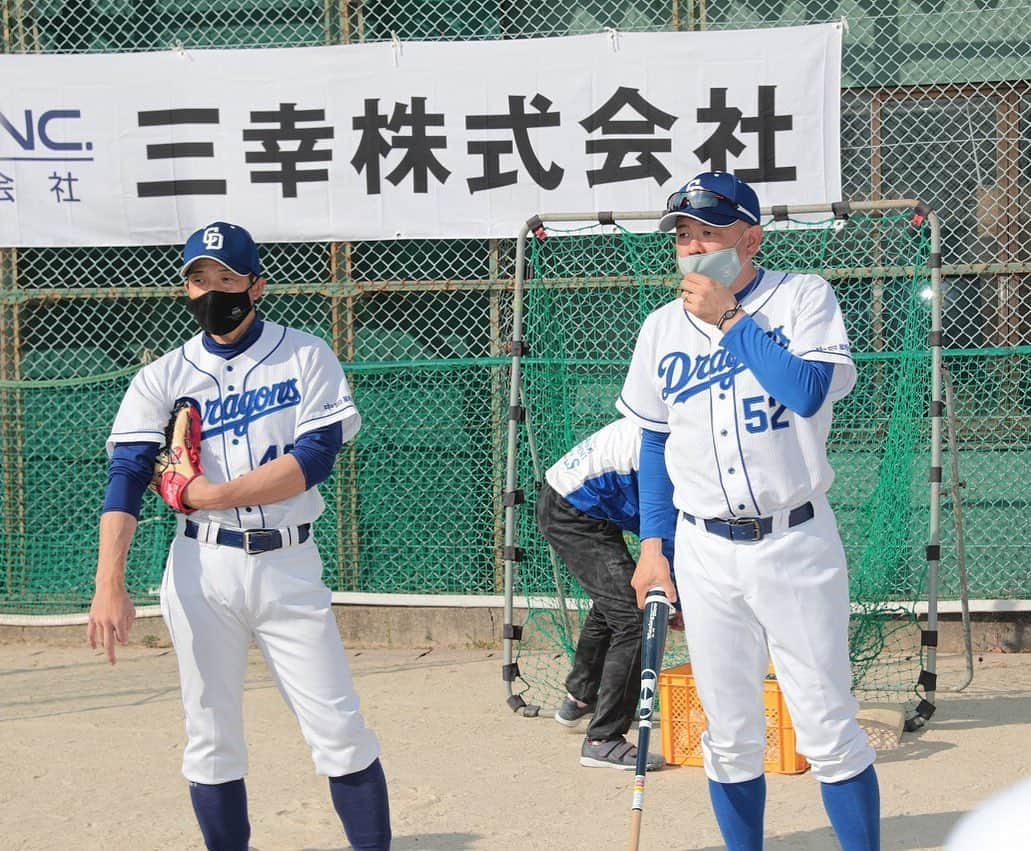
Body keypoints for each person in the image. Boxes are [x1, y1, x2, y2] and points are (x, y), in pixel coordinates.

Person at [86, 222, 392, 851]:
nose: (211, 291)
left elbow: (315, 457)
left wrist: (209, 493)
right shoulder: (162, 377)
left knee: (339, 728)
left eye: (226, 278)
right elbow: (126, 476)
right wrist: (107, 583)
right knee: (211, 735)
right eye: (199, 279)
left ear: (257, 284)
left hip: (289, 563)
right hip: (201, 567)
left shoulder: (306, 354)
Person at [616, 171, 880, 849]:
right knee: (729, 733)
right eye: (681, 234)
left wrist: (728, 317)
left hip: (793, 540)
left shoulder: (800, 297)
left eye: (708, 230)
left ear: (749, 237)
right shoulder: (658, 328)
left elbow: (806, 389)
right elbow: (652, 439)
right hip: (704, 550)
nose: (692, 246)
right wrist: (653, 544)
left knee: (824, 721)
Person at [535, 417, 680, 770]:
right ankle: (603, 739)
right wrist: (680, 600)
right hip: (571, 508)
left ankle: (580, 696)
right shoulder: (675, 443)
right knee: (636, 617)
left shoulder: (685, 427)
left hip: (581, 501)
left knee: (618, 601)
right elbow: (666, 532)